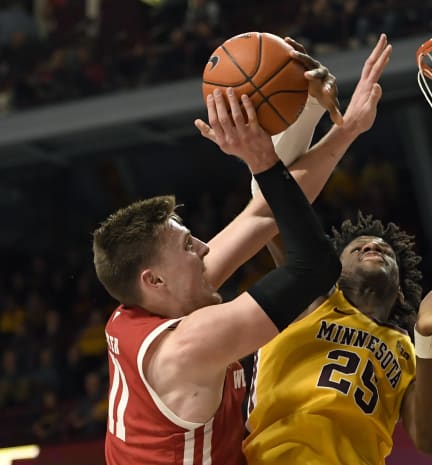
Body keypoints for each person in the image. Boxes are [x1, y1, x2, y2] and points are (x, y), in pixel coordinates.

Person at [98, 35, 392, 465]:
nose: (203, 247)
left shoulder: (150, 303)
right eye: (186, 245)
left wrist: (333, 122)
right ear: (154, 279)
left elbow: (264, 214)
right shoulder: (187, 348)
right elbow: (314, 267)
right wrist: (261, 162)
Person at [243, 211, 432, 464]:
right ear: (337, 274)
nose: (372, 245)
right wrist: (266, 175)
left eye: (385, 250)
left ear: (400, 293)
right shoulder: (314, 300)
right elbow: (275, 217)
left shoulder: (405, 349)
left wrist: (426, 336)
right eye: (358, 248)